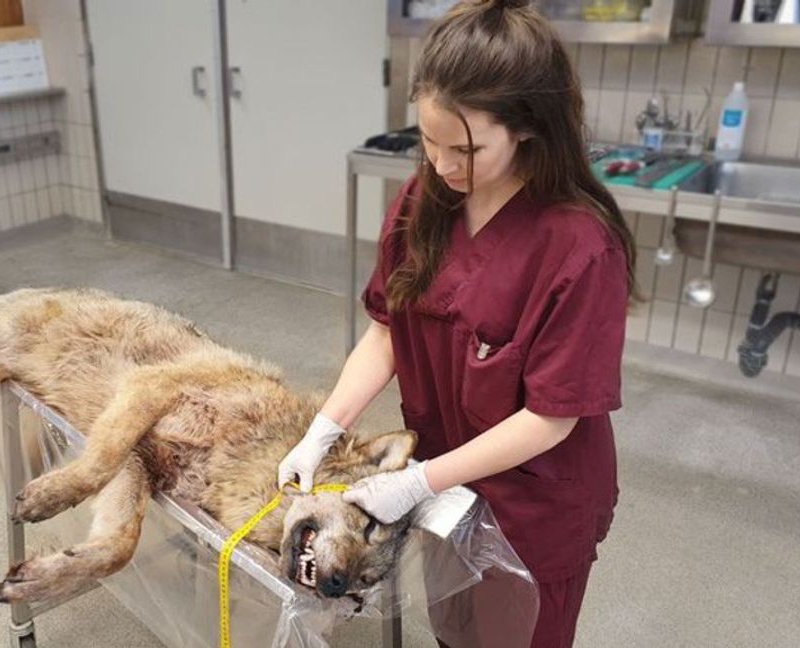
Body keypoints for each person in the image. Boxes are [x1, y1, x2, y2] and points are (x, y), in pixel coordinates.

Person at [277, 0, 637, 646]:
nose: (442, 166)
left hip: (533, 505)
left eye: (465, 148)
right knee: (453, 629)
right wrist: (324, 429)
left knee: (512, 634)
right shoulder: (428, 200)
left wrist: (417, 479)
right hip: (447, 486)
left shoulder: (580, 246)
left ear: (525, 129)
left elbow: (552, 417)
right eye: (428, 142)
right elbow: (388, 330)